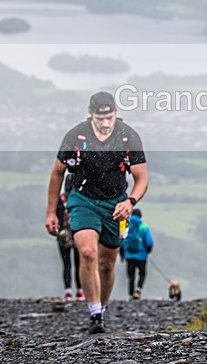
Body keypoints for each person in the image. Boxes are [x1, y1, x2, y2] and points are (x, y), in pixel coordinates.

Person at [44, 91, 148, 334]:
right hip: (82, 199)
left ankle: (102, 307)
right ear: (90, 114)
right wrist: (51, 212)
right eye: (99, 118)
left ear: (115, 114)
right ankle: (94, 315)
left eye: (109, 117)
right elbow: (57, 173)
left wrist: (130, 202)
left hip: (116, 203)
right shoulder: (75, 136)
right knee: (88, 252)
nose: (104, 123)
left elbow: (141, 178)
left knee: (106, 264)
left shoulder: (128, 137)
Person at [56, 174, 84, 302]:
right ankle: (80, 291)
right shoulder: (78, 199)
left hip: (63, 235)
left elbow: (57, 217)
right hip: (77, 234)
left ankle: (67, 291)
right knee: (79, 264)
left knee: (66, 264)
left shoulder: (60, 200)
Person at [119, 208, 154, 300]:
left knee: (131, 275)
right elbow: (149, 241)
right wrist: (148, 251)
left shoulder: (125, 225)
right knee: (142, 273)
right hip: (141, 256)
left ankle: (131, 293)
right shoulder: (143, 227)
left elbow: (121, 241)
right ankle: (138, 290)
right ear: (140, 216)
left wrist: (122, 255)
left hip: (129, 255)